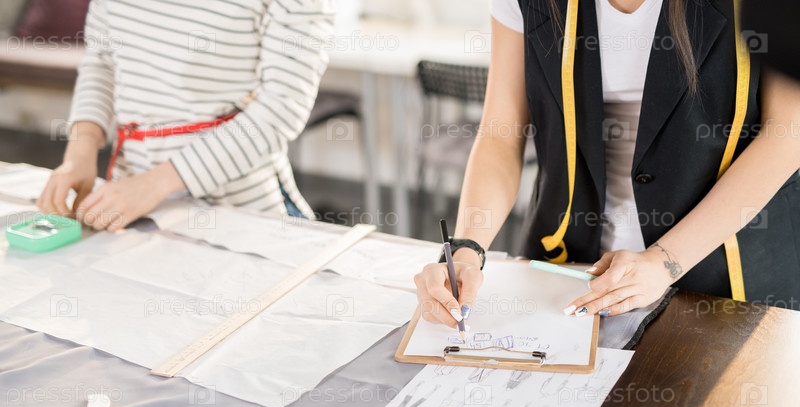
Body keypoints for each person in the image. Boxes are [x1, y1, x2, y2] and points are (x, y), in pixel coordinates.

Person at [415, 0, 800, 328]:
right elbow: (501, 132)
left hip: (723, 279)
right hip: (571, 273)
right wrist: (466, 250)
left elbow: (787, 136)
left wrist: (663, 263)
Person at [37, 0, 334, 230]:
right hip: (130, 197)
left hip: (238, 206)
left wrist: (155, 184)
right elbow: (102, 60)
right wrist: (80, 151)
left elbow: (281, 108)